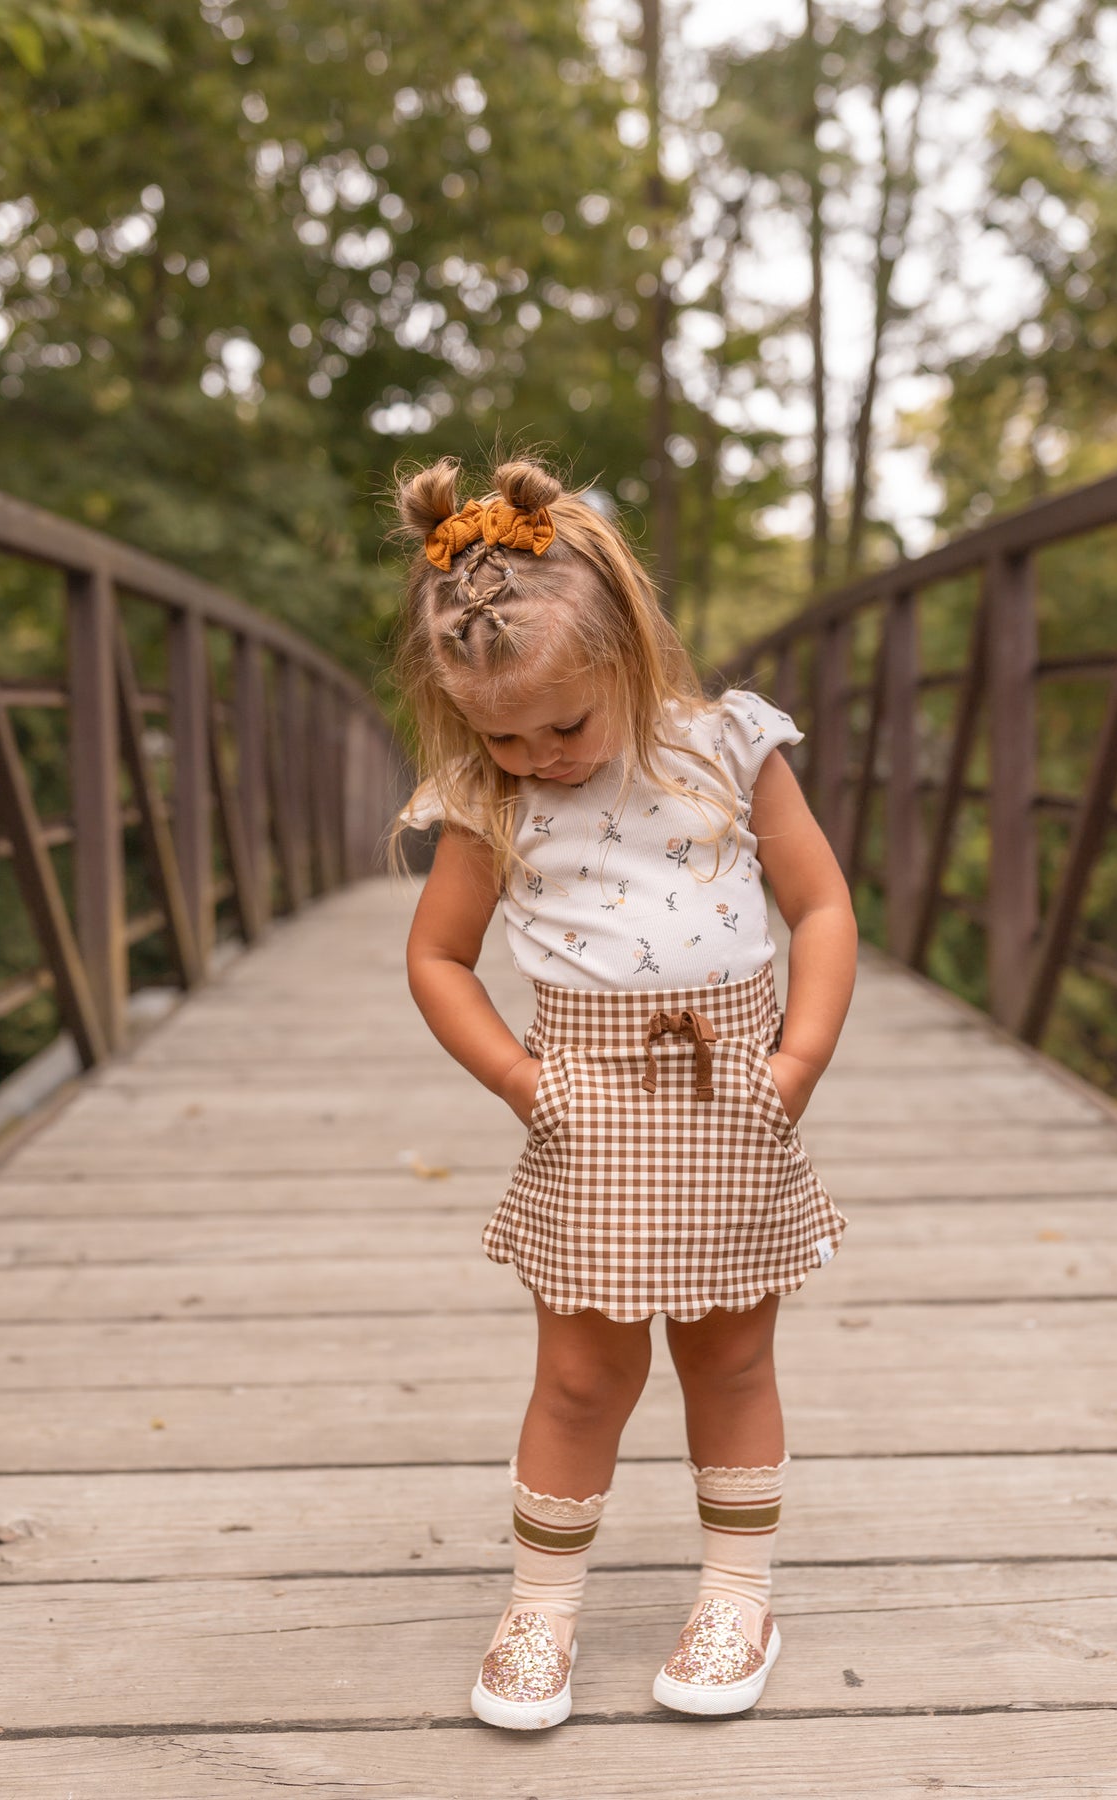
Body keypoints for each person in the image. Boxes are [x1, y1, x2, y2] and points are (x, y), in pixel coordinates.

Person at [393, 454, 857, 1731]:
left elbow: (818, 909)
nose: (537, 756)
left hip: (736, 1101)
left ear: (633, 654)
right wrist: (520, 1081)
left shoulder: (728, 751)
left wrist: (797, 1064)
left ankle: (736, 1592)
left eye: (565, 726)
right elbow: (439, 959)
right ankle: (540, 1605)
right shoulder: (489, 799)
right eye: (499, 733)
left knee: (733, 1353)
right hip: (583, 1112)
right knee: (582, 1375)